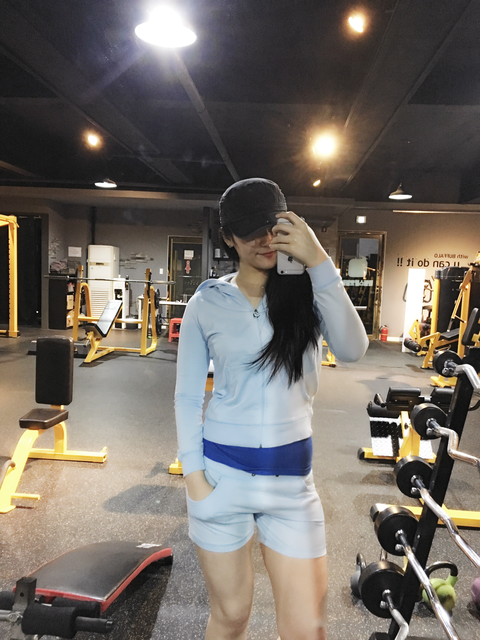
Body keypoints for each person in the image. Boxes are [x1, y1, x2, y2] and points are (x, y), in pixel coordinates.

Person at [175, 178, 368, 640]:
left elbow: (353, 348)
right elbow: (187, 396)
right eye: (249, 232)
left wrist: (318, 260)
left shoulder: (309, 294)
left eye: (271, 226)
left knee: (307, 629)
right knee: (231, 617)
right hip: (221, 480)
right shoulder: (206, 302)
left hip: (292, 487)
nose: (264, 240)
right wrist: (195, 479)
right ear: (228, 238)